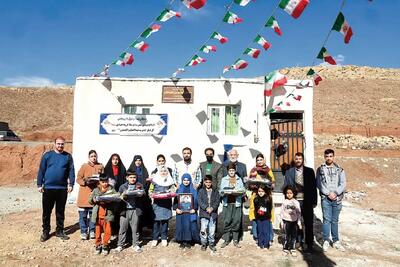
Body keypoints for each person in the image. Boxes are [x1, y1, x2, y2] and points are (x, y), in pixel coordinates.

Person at [37, 136, 75, 242]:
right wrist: (39, 184)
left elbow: (71, 171)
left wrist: (71, 184)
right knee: (46, 212)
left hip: (62, 189)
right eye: (58, 144)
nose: (60, 146)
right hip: (48, 188)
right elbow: (41, 170)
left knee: (60, 212)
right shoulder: (47, 156)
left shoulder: (68, 157)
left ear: (64, 144)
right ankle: (45, 231)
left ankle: (59, 231)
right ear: (54, 144)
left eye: (62, 144)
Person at [283, 152, 317, 253]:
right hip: (294, 202)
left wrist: (314, 201)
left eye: (300, 159)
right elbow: (285, 186)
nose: (298, 160)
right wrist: (287, 201)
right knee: (295, 223)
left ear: (303, 160)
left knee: (308, 223)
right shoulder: (289, 172)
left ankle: (309, 244)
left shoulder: (310, 171)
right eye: (296, 159)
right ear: (294, 160)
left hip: (306, 202)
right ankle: (298, 242)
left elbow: (313, 188)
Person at [316, 149, 346, 252]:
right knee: (326, 220)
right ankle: (326, 240)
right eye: (327, 156)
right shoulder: (320, 169)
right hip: (326, 198)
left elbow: (343, 184)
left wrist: (335, 193)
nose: (329, 158)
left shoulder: (340, 170)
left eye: (330, 156)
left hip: (337, 198)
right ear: (324, 157)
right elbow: (319, 184)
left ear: (333, 157)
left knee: (335, 220)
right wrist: (328, 193)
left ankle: (336, 240)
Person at [76, 150, 104, 240]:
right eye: (91, 156)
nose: (93, 158)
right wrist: (85, 182)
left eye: (95, 156)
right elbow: (78, 178)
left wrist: (99, 188)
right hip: (84, 194)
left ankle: (92, 231)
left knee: (93, 215)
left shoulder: (100, 166)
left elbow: (103, 179)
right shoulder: (84, 166)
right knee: (83, 215)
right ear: (89, 157)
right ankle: (84, 232)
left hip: (95, 194)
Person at [248, 153, 275, 245]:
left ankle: (269, 237)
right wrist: (254, 182)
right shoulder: (253, 170)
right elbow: (249, 184)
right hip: (256, 195)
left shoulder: (268, 170)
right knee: (256, 214)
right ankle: (257, 236)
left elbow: (273, 182)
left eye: (261, 159)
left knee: (268, 215)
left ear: (264, 160)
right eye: (258, 160)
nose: (259, 161)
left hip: (267, 195)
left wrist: (268, 184)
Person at [114, 171, 144, 253]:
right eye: (130, 177)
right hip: (125, 210)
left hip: (135, 210)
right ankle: (120, 245)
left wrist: (140, 193)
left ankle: (136, 244)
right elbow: (118, 197)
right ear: (127, 178)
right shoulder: (123, 186)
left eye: (134, 177)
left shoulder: (139, 185)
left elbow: (143, 194)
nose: (133, 179)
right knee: (122, 228)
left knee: (135, 228)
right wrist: (123, 195)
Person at [88, 175, 117, 255]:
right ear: (99, 182)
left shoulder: (111, 189)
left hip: (107, 215)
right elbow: (90, 200)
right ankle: (98, 245)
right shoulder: (96, 190)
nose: (105, 184)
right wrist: (93, 199)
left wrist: (111, 200)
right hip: (98, 215)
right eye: (103, 182)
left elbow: (116, 198)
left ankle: (105, 245)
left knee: (108, 231)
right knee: (97, 232)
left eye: (106, 182)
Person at [219, 163, 245, 248]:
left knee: (236, 221)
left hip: (236, 203)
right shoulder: (224, 179)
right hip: (227, 203)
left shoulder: (239, 179)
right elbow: (221, 191)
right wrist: (224, 192)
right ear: (228, 171)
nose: (231, 172)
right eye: (230, 170)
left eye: (233, 170)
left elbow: (243, 190)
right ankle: (226, 239)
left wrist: (237, 192)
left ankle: (235, 240)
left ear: (235, 171)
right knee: (227, 221)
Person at [128, 155, 153, 241]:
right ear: (134, 161)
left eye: (139, 160)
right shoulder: (131, 170)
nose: (138, 162)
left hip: (143, 196)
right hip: (133, 197)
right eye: (136, 160)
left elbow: (147, 183)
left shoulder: (144, 170)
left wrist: (146, 186)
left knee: (142, 214)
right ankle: (133, 234)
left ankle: (142, 232)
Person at [149, 165, 175, 247]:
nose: (163, 173)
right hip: (157, 204)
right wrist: (151, 194)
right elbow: (150, 190)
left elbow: (173, 190)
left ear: (167, 172)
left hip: (166, 204)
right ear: (158, 172)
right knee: (156, 221)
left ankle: (164, 238)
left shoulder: (170, 181)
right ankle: (155, 238)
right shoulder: (154, 181)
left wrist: (170, 192)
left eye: (165, 171)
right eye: (161, 171)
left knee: (165, 221)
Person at [174, 173, 200, 249]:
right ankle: (182, 240)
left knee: (189, 226)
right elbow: (175, 201)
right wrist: (176, 209)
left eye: (188, 180)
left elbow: (197, 200)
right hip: (181, 212)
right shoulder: (179, 189)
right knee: (181, 225)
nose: (186, 182)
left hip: (190, 212)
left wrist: (194, 209)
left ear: (190, 180)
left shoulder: (194, 189)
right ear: (182, 180)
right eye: (184, 180)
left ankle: (189, 241)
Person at [103, 153, 126, 236]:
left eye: (117, 159)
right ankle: (110, 230)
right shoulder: (107, 169)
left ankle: (118, 229)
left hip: (119, 194)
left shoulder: (122, 169)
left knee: (119, 212)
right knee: (110, 212)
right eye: (113, 159)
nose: (115, 161)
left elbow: (125, 182)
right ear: (111, 160)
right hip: (110, 194)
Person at [198, 175, 220, 252]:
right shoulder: (201, 191)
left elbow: (217, 202)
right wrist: (206, 207)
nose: (208, 184)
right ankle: (204, 243)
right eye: (206, 182)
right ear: (204, 182)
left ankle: (211, 243)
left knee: (212, 230)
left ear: (212, 182)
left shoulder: (215, 191)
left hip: (213, 214)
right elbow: (200, 201)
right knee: (203, 229)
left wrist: (212, 208)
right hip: (204, 213)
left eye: (209, 182)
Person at [280, 185, 302, 256]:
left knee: (293, 236)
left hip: (294, 222)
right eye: (287, 193)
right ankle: (285, 248)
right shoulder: (284, 202)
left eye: (291, 193)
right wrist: (281, 222)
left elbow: (299, 213)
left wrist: (299, 222)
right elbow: (281, 212)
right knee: (287, 236)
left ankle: (292, 248)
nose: (289, 194)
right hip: (286, 221)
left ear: (294, 193)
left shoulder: (296, 202)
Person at [254, 184, 273, 249]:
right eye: (259, 191)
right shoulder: (256, 199)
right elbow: (256, 209)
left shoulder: (268, 199)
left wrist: (269, 216)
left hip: (266, 218)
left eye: (262, 191)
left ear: (265, 191)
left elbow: (270, 208)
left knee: (266, 231)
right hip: (259, 218)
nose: (260, 193)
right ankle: (260, 244)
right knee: (260, 231)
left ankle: (266, 245)